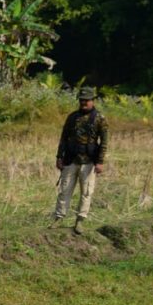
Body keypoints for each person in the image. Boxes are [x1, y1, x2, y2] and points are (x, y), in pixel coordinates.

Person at [52, 87, 109, 234]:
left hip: (89, 162)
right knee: (64, 190)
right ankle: (59, 218)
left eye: (87, 100)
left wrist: (100, 161)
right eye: (82, 100)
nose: (84, 102)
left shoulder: (100, 119)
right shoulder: (72, 117)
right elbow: (63, 138)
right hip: (70, 160)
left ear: (92, 101)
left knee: (86, 192)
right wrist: (59, 157)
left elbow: (103, 142)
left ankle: (80, 221)